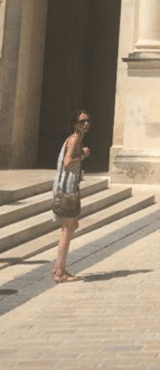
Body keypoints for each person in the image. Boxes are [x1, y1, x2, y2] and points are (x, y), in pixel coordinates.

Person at [51, 110, 90, 283]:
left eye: (88, 121)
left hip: (68, 189)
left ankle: (60, 267)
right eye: (82, 121)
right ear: (75, 124)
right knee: (67, 230)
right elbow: (67, 162)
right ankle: (59, 271)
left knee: (71, 226)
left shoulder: (75, 139)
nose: (86, 124)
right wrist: (83, 155)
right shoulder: (74, 139)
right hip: (66, 191)